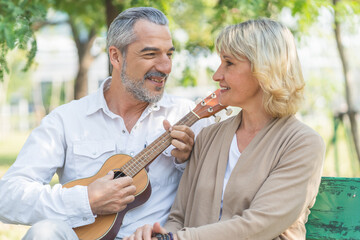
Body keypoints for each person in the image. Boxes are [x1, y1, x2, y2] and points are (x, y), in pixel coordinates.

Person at [0, 7, 213, 239]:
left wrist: (187, 161)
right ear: (116, 56)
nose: (165, 67)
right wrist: (86, 199)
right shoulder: (66, 120)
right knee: (45, 233)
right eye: (151, 54)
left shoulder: (187, 116)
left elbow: (216, 198)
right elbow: (8, 198)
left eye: (169, 54)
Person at [125, 18, 325, 240]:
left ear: (264, 69)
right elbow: (178, 218)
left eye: (229, 63)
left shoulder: (302, 143)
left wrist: (174, 239)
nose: (217, 75)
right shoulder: (209, 136)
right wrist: (158, 234)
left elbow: (258, 225)